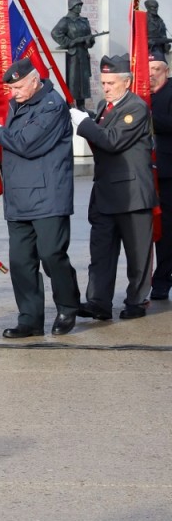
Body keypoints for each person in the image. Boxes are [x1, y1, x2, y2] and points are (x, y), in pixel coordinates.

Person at [0, 57, 80, 338]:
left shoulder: (52, 106)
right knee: (21, 262)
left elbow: (27, 143)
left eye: (18, 87)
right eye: (10, 89)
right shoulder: (19, 105)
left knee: (51, 255)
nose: (13, 93)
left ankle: (67, 306)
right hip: (20, 198)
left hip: (48, 196)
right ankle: (30, 318)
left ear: (35, 81)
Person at [70, 54, 156, 320]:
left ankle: (136, 301)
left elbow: (112, 141)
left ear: (126, 82)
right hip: (107, 192)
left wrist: (83, 124)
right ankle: (98, 302)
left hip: (132, 195)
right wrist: (89, 119)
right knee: (101, 253)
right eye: (103, 82)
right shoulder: (105, 107)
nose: (105, 87)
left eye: (111, 82)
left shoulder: (136, 107)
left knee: (137, 254)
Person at [148, 48, 172, 299]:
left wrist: (149, 118)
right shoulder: (140, 95)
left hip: (167, 174)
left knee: (166, 228)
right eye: (148, 70)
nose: (152, 74)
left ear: (167, 71)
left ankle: (163, 278)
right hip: (143, 174)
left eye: (157, 69)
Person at [51, 0, 96, 109]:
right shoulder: (66, 21)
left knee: (83, 82)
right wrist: (70, 42)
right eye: (77, 5)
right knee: (72, 82)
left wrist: (89, 41)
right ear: (71, 6)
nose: (79, 7)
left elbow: (90, 40)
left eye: (80, 5)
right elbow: (55, 33)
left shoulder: (84, 21)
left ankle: (82, 107)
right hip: (72, 57)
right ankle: (69, 107)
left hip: (83, 55)